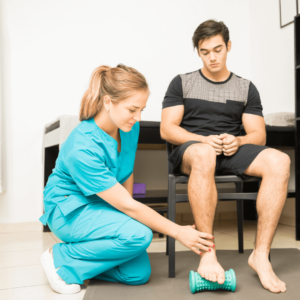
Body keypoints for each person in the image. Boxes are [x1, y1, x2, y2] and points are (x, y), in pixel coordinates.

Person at [39, 64, 214, 294]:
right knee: (140, 235)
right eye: (133, 109)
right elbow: (127, 204)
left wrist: (126, 220)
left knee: (137, 274)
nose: (138, 117)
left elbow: (127, 171)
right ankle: (61, 258)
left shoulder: (129, 128)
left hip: (99, 204)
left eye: (142, 109)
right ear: (108, 102)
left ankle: (84, 259)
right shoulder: (83, 145)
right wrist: (179, 232)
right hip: (67, 210)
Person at [160, 20, 290, 294]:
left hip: (231, 150)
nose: (212, 57)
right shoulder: (182, 82)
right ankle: (208, 254)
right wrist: (200, 140)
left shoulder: (245, 87)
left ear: (228, 46)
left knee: (280, 161)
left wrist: (239, 140)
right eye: (205, 51)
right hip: (192, 151)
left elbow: (258, 134)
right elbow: (167, 129)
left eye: (217, 49)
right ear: (198, 52)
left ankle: (261, 256)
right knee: (205, 153)